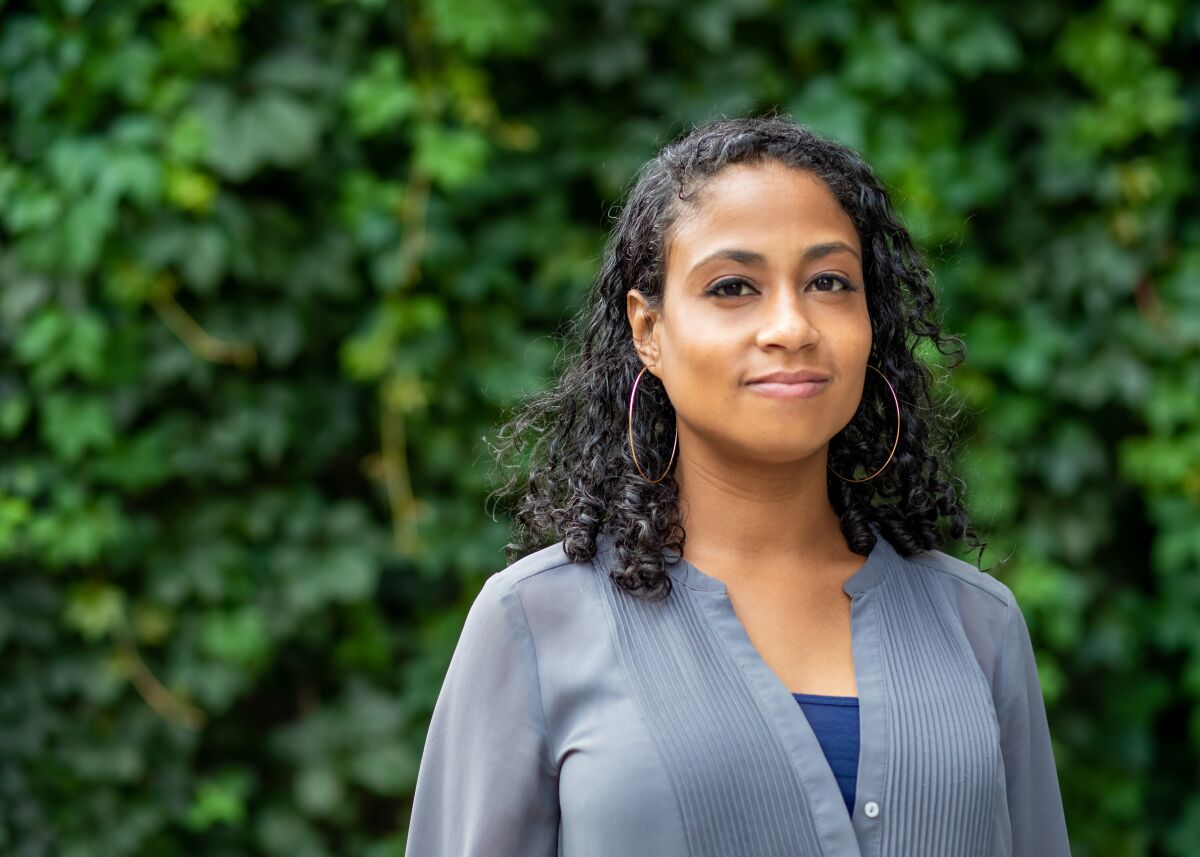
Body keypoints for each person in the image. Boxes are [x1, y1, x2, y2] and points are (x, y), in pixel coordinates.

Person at [404, 115, 1071, 857]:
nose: (790, 325)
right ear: (648, 330)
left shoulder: (978, 627)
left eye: (828, 282)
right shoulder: (534, 622)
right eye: (732, 287)